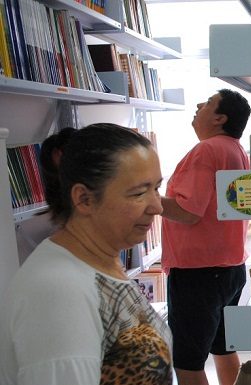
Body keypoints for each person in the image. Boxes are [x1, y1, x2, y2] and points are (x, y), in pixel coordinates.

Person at [0, 123, 171, 384]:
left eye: (156, 188)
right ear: (84, 199)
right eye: (139, 193)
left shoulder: (99, 262)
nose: (157, 206)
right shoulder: (58, 291)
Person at [160, 89, 251, 385]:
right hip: (229, 268)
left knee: (187, 362)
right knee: (223, 348)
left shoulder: (206, 151)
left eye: (208, 103)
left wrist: (144, 197)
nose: (199, 105)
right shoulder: (236, 150)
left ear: (220, 118)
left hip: (198, 272)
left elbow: (188, 211)